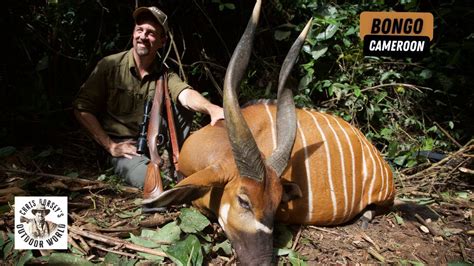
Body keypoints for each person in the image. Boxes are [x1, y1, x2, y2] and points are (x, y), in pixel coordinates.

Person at [73, 6, 224, 189]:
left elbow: (185, 94)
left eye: (151, 33)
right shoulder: (109, 66)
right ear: (133, 33)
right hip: (123, 149)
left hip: (151, 146)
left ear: (162, 41)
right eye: (140, 30)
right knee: (155, 185)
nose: (143, 36)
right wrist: (110, 145)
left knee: (183, 106)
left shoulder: (165, 75)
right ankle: (166, 180)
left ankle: (177, 162)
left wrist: (212, 109)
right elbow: (81, 108)